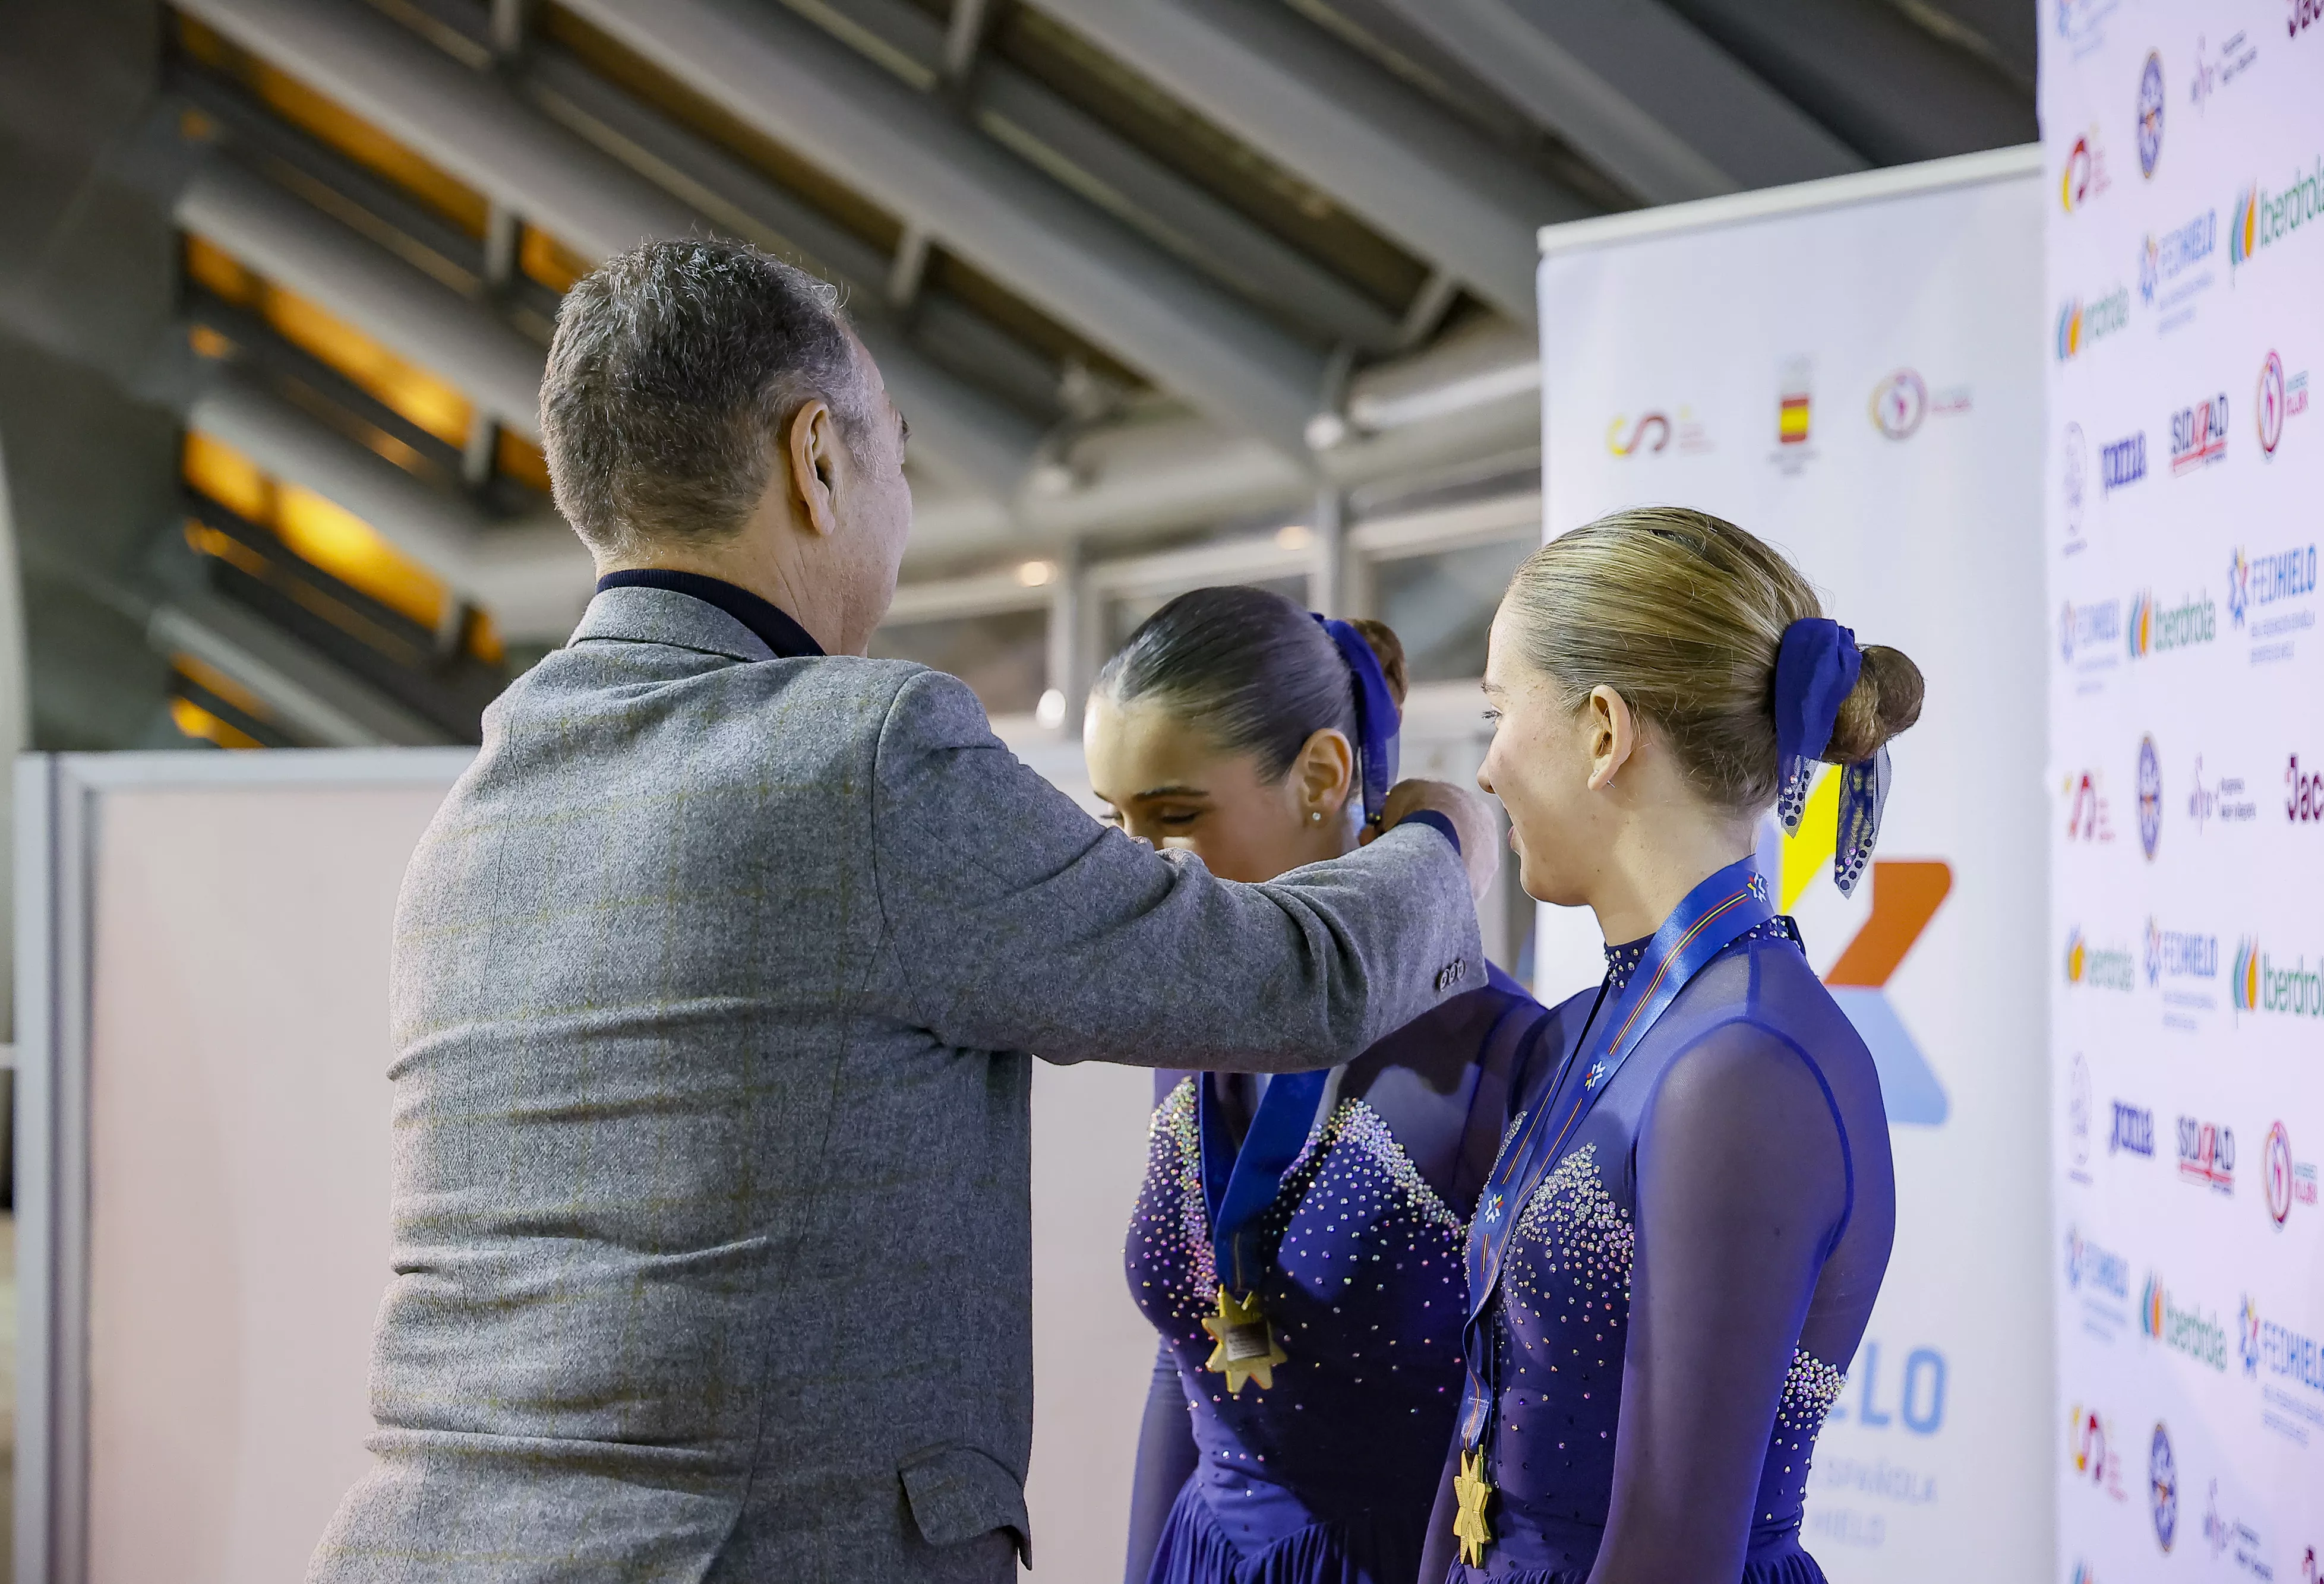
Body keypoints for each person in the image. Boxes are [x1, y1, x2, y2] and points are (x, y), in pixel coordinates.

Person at [307, 238, 1501, 1584]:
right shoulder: (866, 755)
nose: (904, 501)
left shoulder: (477, 812)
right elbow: (1297, 980)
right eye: (896, 455)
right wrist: (1445, 830)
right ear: (815, 460)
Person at [1418, 508, 1920, 1584]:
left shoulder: (1739, 1067)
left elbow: (1670, 1554)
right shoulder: (1586, 1028)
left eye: (1504, 711)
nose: (1491, 768)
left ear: (1604, 730)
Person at [1085, 587, 1545, 1584]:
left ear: (1321, 778)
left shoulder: (1497, 1057)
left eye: (1172, 816)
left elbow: (1534, 1445)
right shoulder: (1192, 1025)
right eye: (1111, 820)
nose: (1133, 867)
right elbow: (1191, 1367)